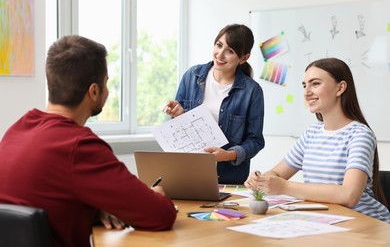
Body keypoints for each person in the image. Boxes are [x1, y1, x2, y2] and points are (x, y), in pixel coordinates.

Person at [0, 35, 177, 246]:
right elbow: (161, 215)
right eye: (106, 83)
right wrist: (156, 194)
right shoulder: (79, 146)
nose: (108, 91)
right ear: (94, 91)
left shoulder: (18, 129)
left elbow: (40, 203)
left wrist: (94, 209)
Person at [245, 57, 390, 223]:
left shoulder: (359, 135)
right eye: (304, 85)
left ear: (340, 88)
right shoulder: (311, 134)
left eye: (315, 84)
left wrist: (284, 187)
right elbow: (277, 173)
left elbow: (349, 195)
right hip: (327, 222)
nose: (307, 92)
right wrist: (261, 179)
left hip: (366, 225)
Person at [164, 24, 265, 184]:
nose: (220, 54)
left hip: (229, 179)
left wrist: (227, 155)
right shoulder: (192, 76)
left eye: (230, 51)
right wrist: (178, 113)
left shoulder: (252, 91)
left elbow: (255, 141)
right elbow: (178, 127)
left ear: (244, 58)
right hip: (189, 173)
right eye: (219, 45)